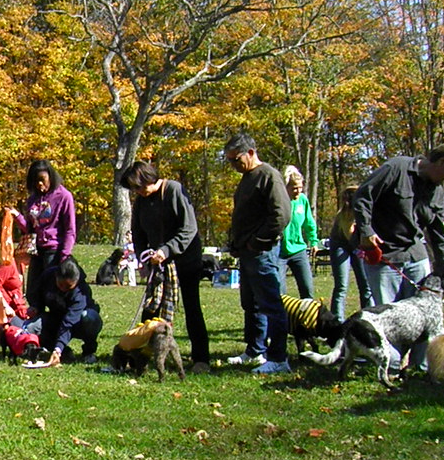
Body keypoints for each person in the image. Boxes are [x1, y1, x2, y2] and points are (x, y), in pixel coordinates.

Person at [119, 161, 210, 373]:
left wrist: (167, 250)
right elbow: (138, 233)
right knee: (150, 309)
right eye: (134, 189)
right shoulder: (141, 201)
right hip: (158, 263)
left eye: (139, 187)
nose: (138, 192)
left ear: (149, 178)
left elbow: (189, 228)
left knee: (192, 307)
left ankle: (201, 358)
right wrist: (144, 256)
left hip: (185, 260)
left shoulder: (174, 190)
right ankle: (141, 358)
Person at [352, 141, 444, 306]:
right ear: (442, 161)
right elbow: (363, 197)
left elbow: (439, 234)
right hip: (386, 257)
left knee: (421, 311)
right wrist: (366, 231)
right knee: (388, 314)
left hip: (416, 257)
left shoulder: (437, 192)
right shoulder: (396, 168)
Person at [224, 132, 292, 374]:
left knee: (271, 304)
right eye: (229, 160)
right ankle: (255, 350)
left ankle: (279, 358)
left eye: (236, 159)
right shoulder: (247, 178)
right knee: (251, 304)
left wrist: (258, 241)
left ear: (251, 153)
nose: (233, 165)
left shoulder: (269, 176)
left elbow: (281, 215)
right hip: (246, 252)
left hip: (262, 252)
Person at [9, 160, 77, 309]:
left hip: (55, 251)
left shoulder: (64, 196)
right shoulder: (33, 199)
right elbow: (30, 228)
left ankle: (56, 321)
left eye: (42, 180)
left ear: (50, 177)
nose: (39, 184)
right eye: (35, 181)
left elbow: (70, 230)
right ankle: (37, 320)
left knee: (53, 294)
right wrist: (17, 216)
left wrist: (64, 256)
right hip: (37, 251)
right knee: (33, 293)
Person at [25, 259, 102, 366]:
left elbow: (69, 322)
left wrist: (58, 349)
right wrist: (36, 307)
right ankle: (64, 351)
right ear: (56, 276)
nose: (64, 289)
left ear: (76, 281)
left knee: (89, 317)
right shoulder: (47, 276)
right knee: (30, 328)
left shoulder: (82, 291)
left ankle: (88, 351)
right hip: (56, 317)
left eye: (69, 287)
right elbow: (37, 295)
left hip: (78, 322)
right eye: (60, 285)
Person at [328, 186, 374, 318]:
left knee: (366, 285)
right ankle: (337, 321)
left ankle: (369, 317)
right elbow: (350, 236)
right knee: (341, 286)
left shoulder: (365, 211)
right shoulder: (344, 215)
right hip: (340, 246)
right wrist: (361, 251)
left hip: (358, 245)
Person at [278, 166, 318, 299]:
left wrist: (313, 241)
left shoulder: (302, 200)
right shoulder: (279, 201)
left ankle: (307, 312)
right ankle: (283, 313)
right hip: (280, 252)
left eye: (300, 187)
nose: (298, 191)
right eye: (294, 188)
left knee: (307, 288)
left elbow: (309, 222)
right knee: (280, 291)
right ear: (286, 187)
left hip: (298, 250)